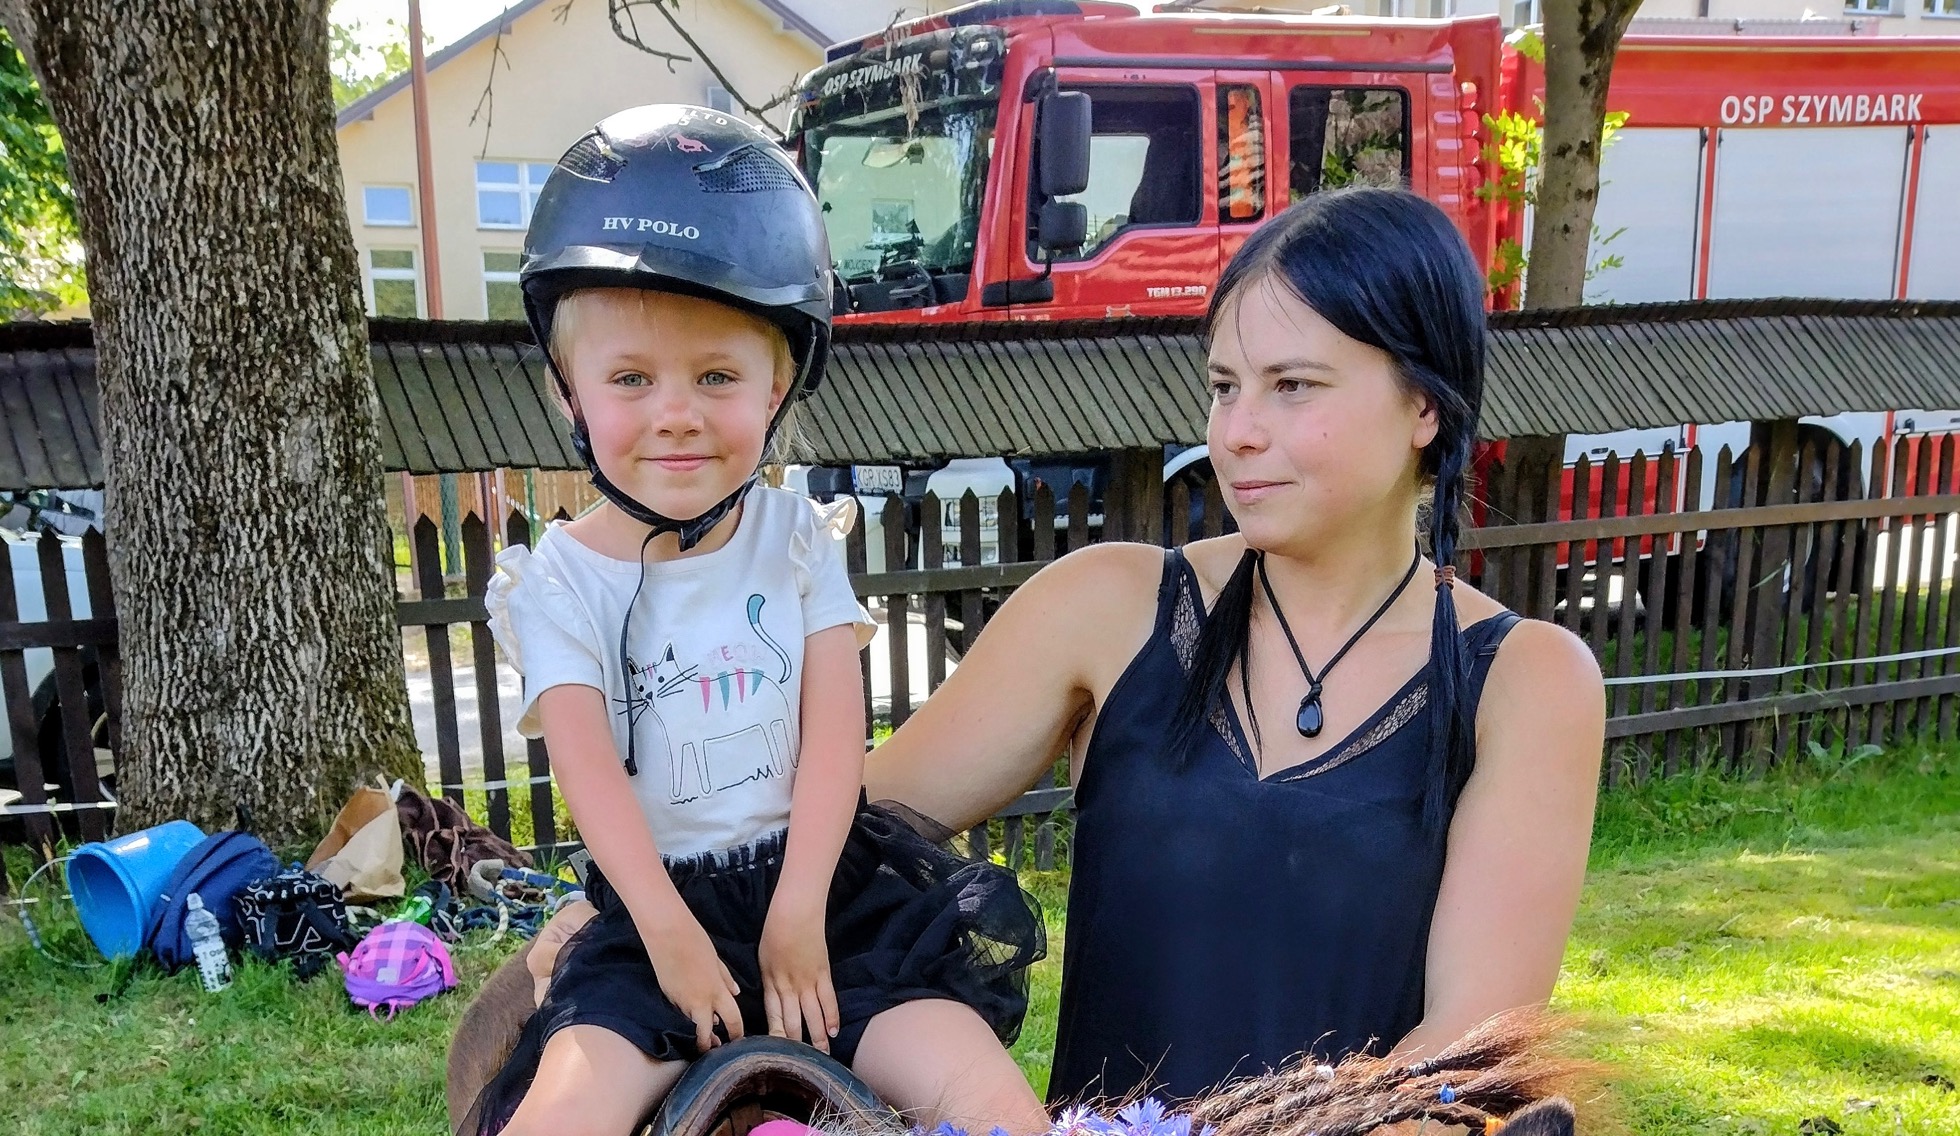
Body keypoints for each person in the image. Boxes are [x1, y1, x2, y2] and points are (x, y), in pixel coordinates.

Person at [864, 187, 1605, 1102]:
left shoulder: (1525, 682)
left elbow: (1462, 1055)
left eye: (1292, 386)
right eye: (1224, 387)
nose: (1237, 433)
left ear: (1423, 405)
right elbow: (833, 842)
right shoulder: (1109, 609)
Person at [468, 105, 1046, 1136]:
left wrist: (799, 908)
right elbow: (591, 779)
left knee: (996, 1109)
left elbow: (834, 738)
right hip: (652, 921)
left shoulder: (797, 539)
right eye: (631, 379)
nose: (676, 412)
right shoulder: (556, 581)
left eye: (717, 376)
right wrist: (669, 935)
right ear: (569, 392)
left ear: (778, 383)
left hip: (828, 898)